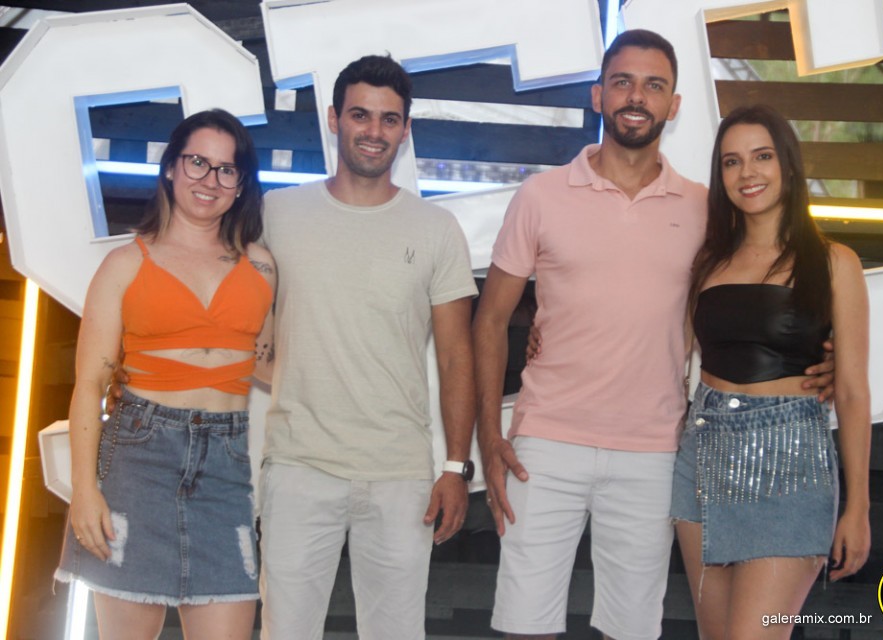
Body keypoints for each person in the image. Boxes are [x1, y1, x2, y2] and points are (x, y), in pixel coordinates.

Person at [473, 30, 834, 640]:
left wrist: (823, 353)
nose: (636, 96)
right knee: (524, 627)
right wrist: (488, 437)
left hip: (654, 450)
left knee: (632, 629)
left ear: (674, 104)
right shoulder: (539, 196)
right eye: (623, 82)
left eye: (653, 85)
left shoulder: (706, 209)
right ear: (598, 96)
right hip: (546, 444)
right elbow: (488, 319)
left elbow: (754, 297)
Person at [256, 55, 478, 639]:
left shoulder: (436, 229)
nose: (373, 131)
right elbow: (236, 312)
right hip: (298, 467)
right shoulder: (277, 214)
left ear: (405, 130)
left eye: (388, 119)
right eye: (360, 115)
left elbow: (457, 356)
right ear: (334, 119)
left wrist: (456, 467)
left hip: (400, 474)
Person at [55, 109, 276, 640]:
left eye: (227, 169)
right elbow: (89, 385)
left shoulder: (261, 265)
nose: (210, 180)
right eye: (198, 162)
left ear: (240, 184)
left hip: (226, 468)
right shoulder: (125, 264)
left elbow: (275, 366)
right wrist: (84, 490)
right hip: (138, 461)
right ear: (171, 167)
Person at [670, 104, 871, 639]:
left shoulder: (835, 262)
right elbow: (672, 352)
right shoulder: (708, 262)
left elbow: (852, 392)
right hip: (702, 458)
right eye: (731, 161)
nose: (747, 173)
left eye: (761, 156)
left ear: (787, 164)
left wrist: (858, 508)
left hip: (792, 466)